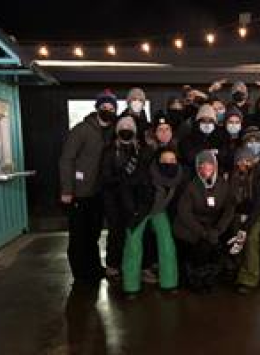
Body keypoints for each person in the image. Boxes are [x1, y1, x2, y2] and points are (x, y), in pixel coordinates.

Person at [59, 89, 117, 283]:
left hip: (98, 193)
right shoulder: (82, 129)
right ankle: (80, 274)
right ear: (97, 108)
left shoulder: (111, 132)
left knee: (93, 233)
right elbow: (67, 159)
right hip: (79, 192)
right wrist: (67, 190)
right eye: (104, 106)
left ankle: (93, 268)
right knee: (78, 235)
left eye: (111, 107)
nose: (107, 109)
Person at [122, 147, 183, 295]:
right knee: (133, 245)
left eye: (172, 160)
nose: (169, 163)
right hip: (140, 211)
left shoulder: (179, 174)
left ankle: (169, 283)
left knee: (167, 243)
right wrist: (132, 210)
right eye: (164, 160)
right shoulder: (145, 173)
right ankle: (131, 287)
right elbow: (126, 188)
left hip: (158, 210)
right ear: (158, 161)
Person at [174, 150, 235, 293]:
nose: (205, 169)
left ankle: (209, 278)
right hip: (191, 227)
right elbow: (184, 213)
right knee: (200, 247)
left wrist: (219, 229)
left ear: (215, 166)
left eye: (209, 165)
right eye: (201, 166)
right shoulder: (190, 186)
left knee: (215, 246)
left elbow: (229, 209)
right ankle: (195, 280)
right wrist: (203, 232)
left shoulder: (223, 184)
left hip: (213, 226)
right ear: (197, 168)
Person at [101, 116, 149, 278]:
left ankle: (134, 264)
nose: (126, 130)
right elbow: (105, 176)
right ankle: (113, 265)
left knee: (134, 232)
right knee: (116, 232)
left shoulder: (140, 150)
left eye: (129, 128)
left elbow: (143, 173)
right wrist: (123, 180)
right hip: (113, 198)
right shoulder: (109, 150)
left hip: (134, 198)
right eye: (123, 128)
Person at [229, 147, 260, 293]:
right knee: (235, 239)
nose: (243, 164)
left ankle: (250, 278)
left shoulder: (259, 178)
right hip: (240, 214)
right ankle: (238, 271)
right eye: (240, 160)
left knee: (251, 238)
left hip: (259, 214)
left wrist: (245, 226)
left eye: (247, 160)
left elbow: (259, 207)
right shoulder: (233, 178)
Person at [178, 103, 222, 171]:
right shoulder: (188, 139)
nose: (207, 124)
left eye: (210, 121)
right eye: (203, 121)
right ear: (198, 123)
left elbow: (225, 158)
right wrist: (205, 151)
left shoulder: (220, 138)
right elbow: (189, 158)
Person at [218, 106, 244, 176]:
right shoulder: (218, 138)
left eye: (237, 122)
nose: (234, 125)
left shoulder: (244, 139)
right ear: (225, 123)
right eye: (231, 122)